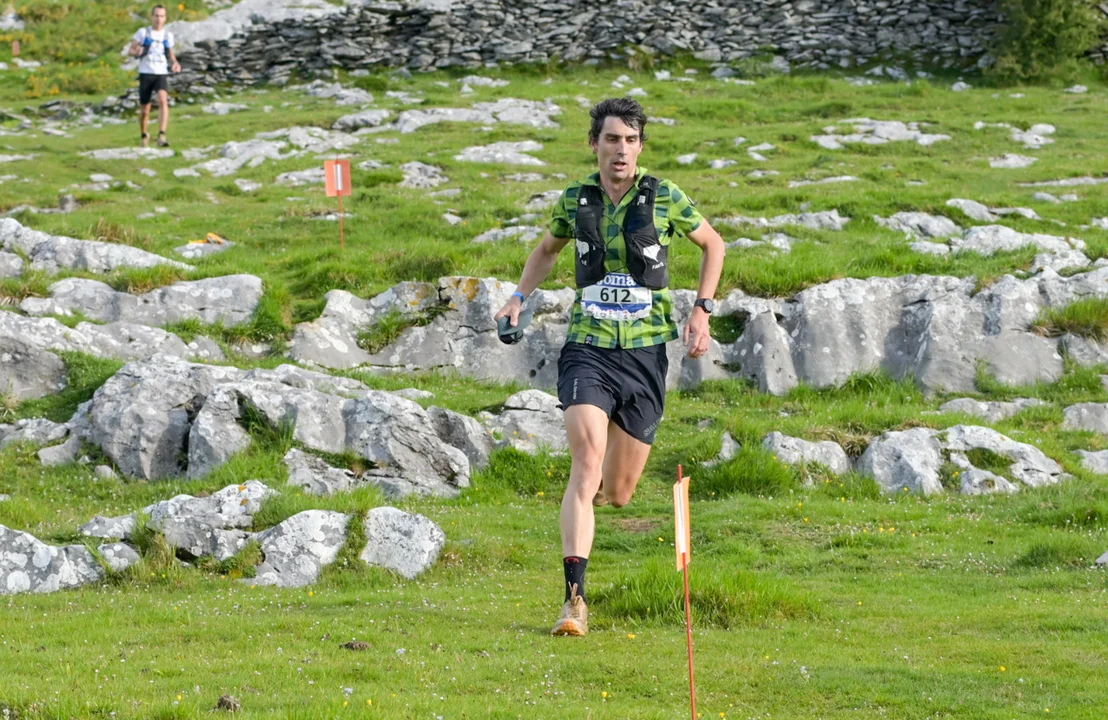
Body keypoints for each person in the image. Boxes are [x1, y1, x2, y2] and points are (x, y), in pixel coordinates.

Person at [493, 97, 726, 636]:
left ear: (640, 146)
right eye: (612, 139)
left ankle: (592, 501)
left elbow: (713, 245)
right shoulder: (576, 199)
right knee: (586, 460)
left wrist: (702, 309)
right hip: (588, 347)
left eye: (630, 140)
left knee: (617, 492)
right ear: (594, 144)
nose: (621, 149)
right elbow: (547, 251)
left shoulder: (664, 196)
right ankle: (574, 601)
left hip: (645, 354)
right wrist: (518, 297)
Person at [127, 4, 180, 148]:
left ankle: (162, 135)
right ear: (152, 17)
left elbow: (171, 54)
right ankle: (144, 134)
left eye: (161, 16)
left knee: (163, 99)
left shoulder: (167, 35)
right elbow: (131, 50)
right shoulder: (143, 32)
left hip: (161, 73)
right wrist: (137, 51)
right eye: (156, 16)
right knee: (145, 109)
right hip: (146, 73)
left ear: (165, 18)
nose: (158, 19)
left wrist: (175, 63)